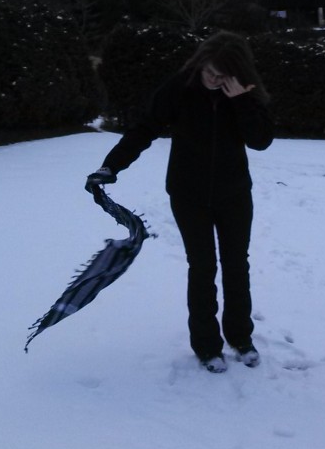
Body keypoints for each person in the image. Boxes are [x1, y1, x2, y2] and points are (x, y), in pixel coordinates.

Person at [86, 31, 274, 373]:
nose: (213, 79)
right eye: (210, 71)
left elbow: (260, 140)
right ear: (201, 62)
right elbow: (144, 129)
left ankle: (241, 338)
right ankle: (207, 346)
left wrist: (241, 101)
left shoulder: (244, 94)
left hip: (234, 194)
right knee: (202, 267)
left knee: (236, 265)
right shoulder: (180, 88)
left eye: (222, 75)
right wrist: (110, 166)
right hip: (188, 195)